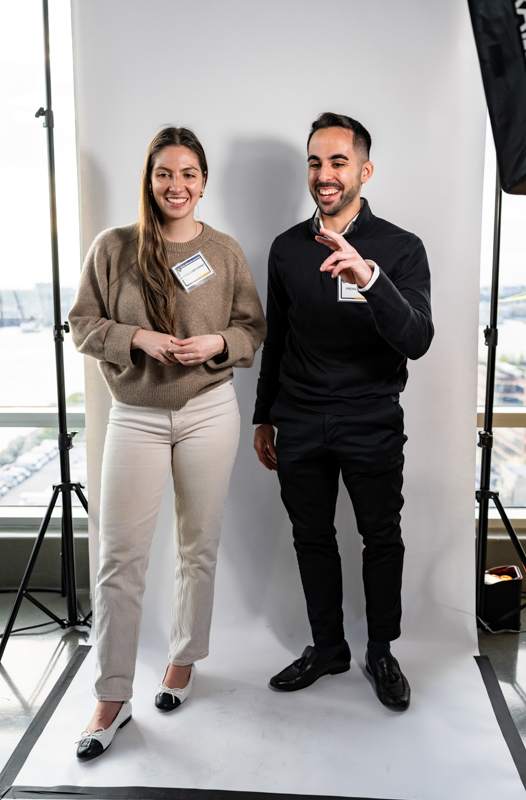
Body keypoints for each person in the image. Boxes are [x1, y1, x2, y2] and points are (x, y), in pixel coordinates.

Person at [69, 126, 266, 760]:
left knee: (197, 548)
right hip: (136, 416)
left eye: (187, 174)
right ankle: (112, 694)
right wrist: (136, 338)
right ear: (149, 181)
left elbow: (252, 328)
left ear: (203, 182)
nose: (175, 186)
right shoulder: (115, 247)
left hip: (210, 411)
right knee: (119, 558)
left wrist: (218, 345)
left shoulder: (225, 251)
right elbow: (81, 323)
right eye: (164, 174)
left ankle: (183, 660)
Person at [253, 112, 433, 711]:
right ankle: (328, 648)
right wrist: (264, 416)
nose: (324, 174)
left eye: (337, 162)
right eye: (315, 162)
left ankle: (381, 650)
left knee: (382, 538)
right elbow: (278, 338)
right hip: (300, 420)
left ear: (364, 170)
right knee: (312, 538)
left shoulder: (400, 248)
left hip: (370, 420)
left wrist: (370, 278)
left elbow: (417, 338)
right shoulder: (285, 249)